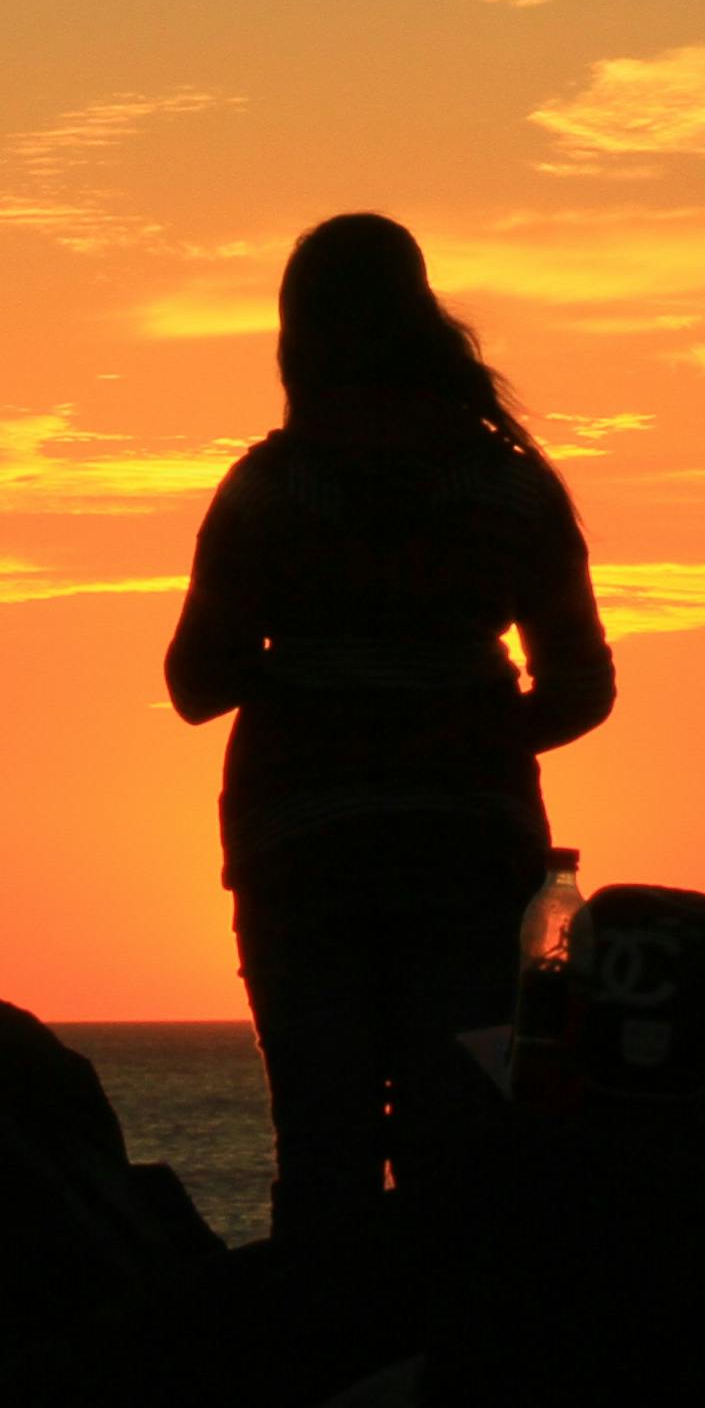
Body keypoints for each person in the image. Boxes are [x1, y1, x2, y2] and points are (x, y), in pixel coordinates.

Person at [166, 215, 615, 1236]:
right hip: (470, 852)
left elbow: (194, 682)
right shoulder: (511, 485)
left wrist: (308, 664)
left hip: (304, 851)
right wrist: (469, 738)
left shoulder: (271, 490)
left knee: (323, 1152)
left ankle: (323, 1367)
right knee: (457, 1156)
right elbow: (582, 684)